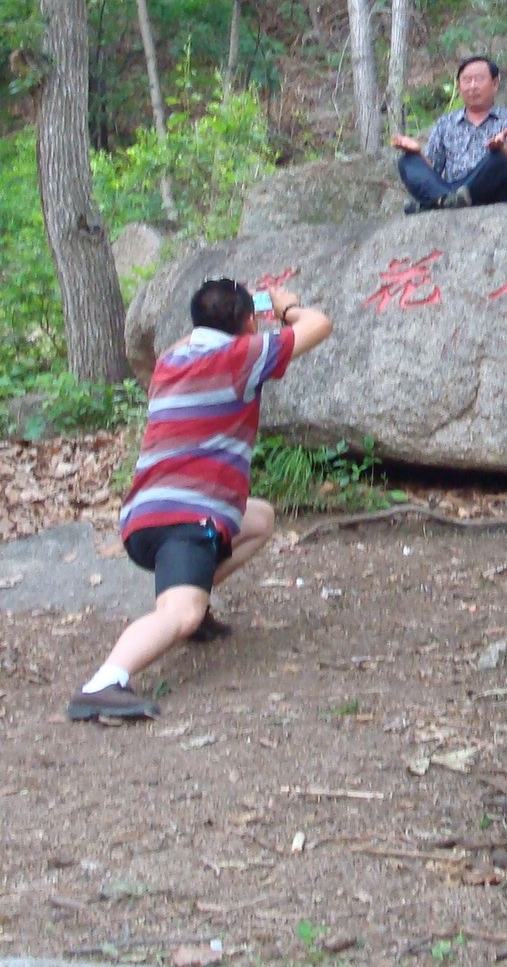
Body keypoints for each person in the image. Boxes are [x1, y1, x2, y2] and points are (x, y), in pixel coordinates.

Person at [67, 277, 332, 722]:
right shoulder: (240, 358)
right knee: (179, 614)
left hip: (144, 515)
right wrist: (286, 308)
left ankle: (193, 598)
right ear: (247, 322)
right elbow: (319, 324)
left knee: (259, 519)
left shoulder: (170, 361)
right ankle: (105, 682)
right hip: (187, 519)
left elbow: (202, 332)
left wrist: (234, 312)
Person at [391, 55, 507, 212]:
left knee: (499, 159)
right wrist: (417, 153)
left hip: (494, 190)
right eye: (466, 80)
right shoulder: (446, 123)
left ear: (495, 84)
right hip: (455, 191)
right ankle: (445, 199)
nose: (472, 86)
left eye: (479, 79)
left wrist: (502, 149)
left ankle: (433, 204)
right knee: (408, 161)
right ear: (459, 86)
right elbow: (432, 170)